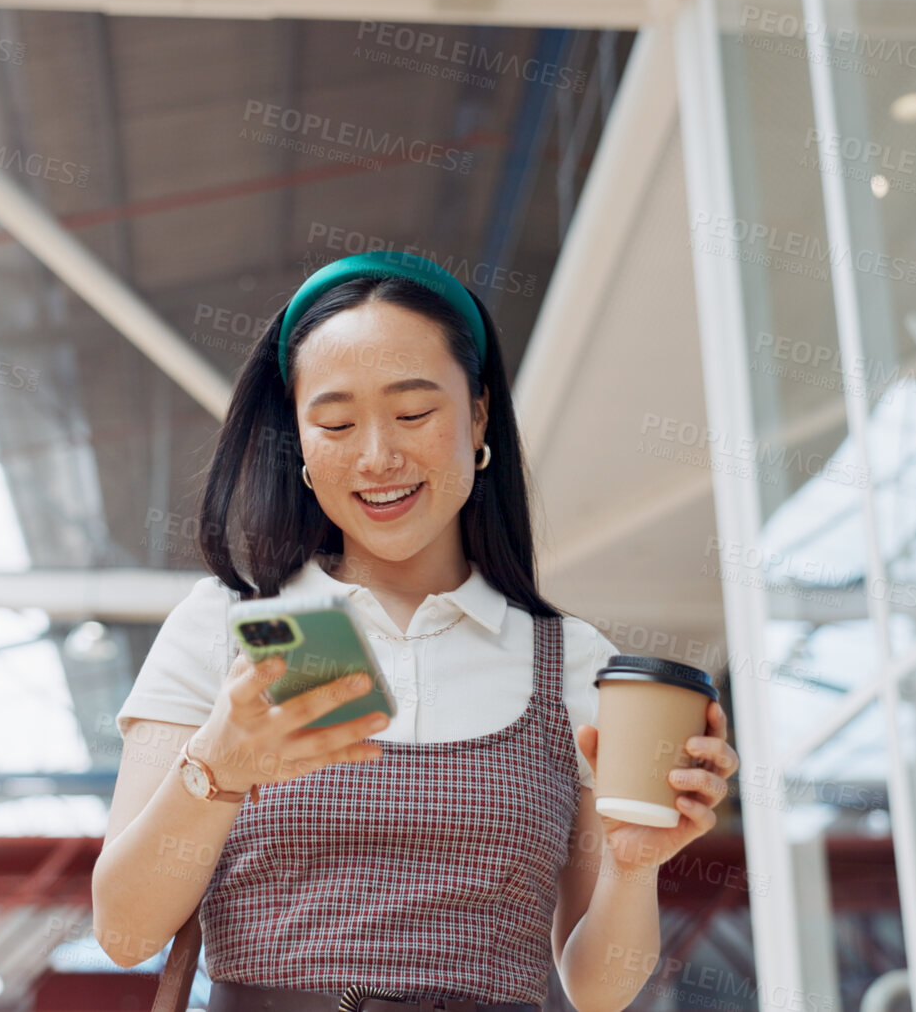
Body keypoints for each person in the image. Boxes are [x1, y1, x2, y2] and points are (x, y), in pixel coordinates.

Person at [92, 251, 740, 1012]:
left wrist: (634, 867)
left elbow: (596, 990)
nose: (377, 456)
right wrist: (218, 767)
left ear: (476, 415)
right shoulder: (231, 626)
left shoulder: (569, 660)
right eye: (334, 421)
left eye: (412, 413)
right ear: (298, 441)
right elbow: (125, 933)